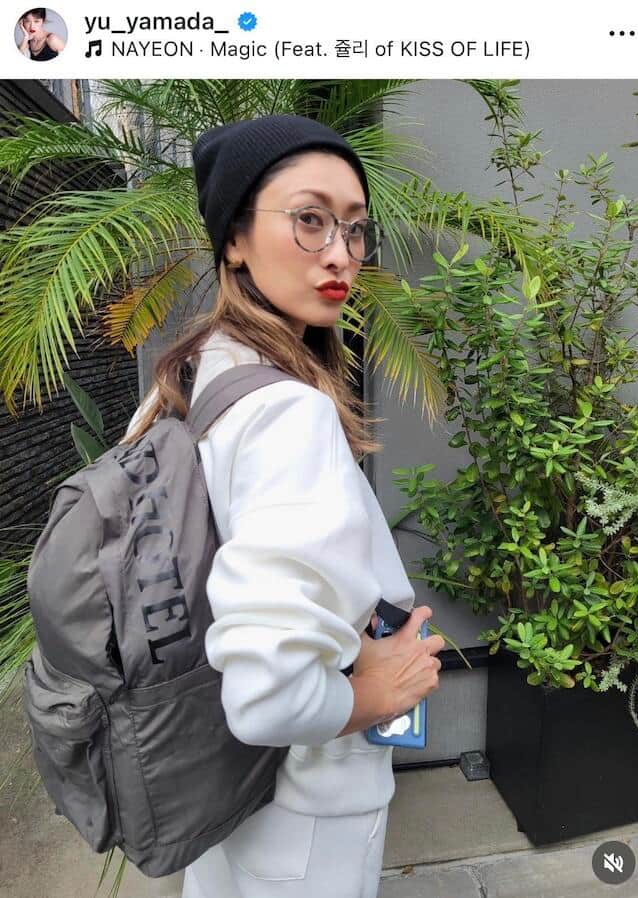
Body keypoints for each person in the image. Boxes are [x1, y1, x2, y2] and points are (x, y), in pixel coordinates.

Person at [124, 114, 445, 898]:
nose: (340, 253)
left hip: (227, 794)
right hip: (307, 813)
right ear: (235, 238)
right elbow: (268, 697)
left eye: (355, 228)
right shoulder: (286, 412)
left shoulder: (192, 373)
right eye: (309, 219)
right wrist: (378, 694)